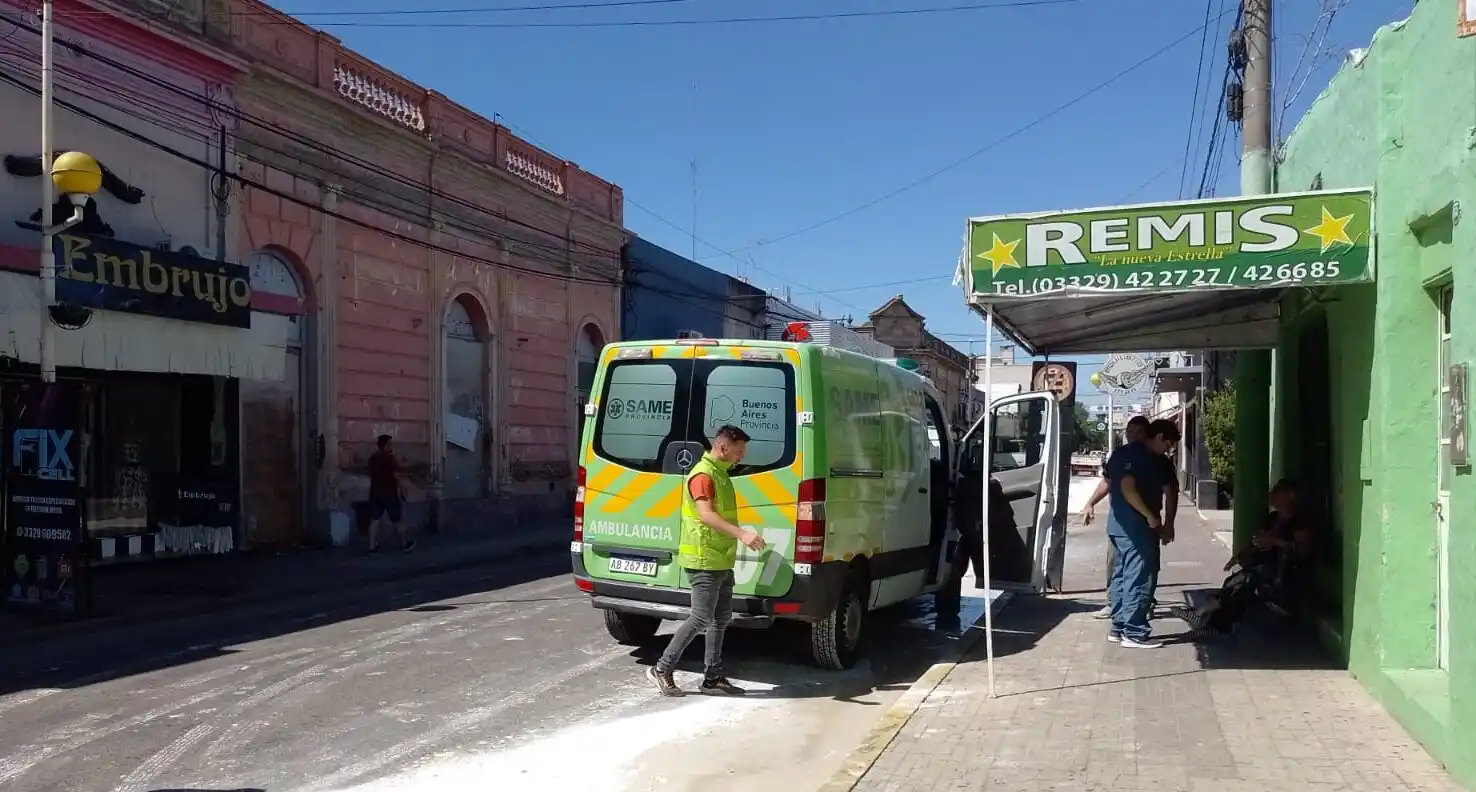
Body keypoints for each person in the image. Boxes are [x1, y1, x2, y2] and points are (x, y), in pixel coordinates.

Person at [648, 425, 767, 697]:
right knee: (701, 617)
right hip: (703, 558)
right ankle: (662, 668)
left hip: (719, 558)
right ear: (723, 447)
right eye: (739, 451)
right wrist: (743, 535)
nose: (741, 456)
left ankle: (712, 678)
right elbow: (706, 515)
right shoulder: (703, 475)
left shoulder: (721, 474)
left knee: (721, 618)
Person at [1177, 479, 1315, 634]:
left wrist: (1276, 541)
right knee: (1236, 586)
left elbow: (1303, 550)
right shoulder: (1273, 518)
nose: (1272, 494)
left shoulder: (1300, 521)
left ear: (1290, 495)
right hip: (1266, 567)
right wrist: (1244, 553)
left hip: (1286, 574)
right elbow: (1259, 540)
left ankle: (1201, 614)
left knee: (1243, 582)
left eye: (1278, 491)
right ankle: (1215, 626)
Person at [1082, 416, 1180, 619]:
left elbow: (1171, 493)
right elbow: (1119, 485)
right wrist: (1091, 503)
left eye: (1137, 432)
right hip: (1130, 525)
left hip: (1131, 526)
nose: (1132, 436)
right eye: (1129, 432)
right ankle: (1130, 624)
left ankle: (1126, 618)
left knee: (1131, 572)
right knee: (1131, 572)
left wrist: (1168, 522)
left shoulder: (1159, 461)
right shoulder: (1125, 456)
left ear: (1147, 433)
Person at [1105, 419, 1180, 648]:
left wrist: (1167, 522)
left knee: (1121, 574)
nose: (1168, 450)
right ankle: (1134, 631)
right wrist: (1154, 518)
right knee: (1140, 577)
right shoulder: (1150, 460)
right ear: (1158, 437)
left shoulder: (1119, 455)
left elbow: (1110, 483)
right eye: (1168, 444)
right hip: (1138, 527)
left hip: (1117, 526)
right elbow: (1128, 488)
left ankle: (1118, 627)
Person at [367, 434, 415, 553]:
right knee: (397, 519)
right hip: (389, 492)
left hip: (375, 491)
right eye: (390, 444)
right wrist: (403, 488)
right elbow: (396, 474)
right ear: (387, 445)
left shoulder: (372, 458)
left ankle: (371, 546)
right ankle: (404, 544)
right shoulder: (389, 458)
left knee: (374, 519)